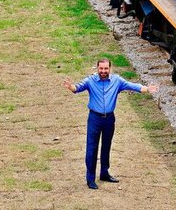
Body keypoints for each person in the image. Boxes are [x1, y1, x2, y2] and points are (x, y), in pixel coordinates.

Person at [63, 58, 158, 190]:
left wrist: (147, 89)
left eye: (106, 68)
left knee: (106, 147)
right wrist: (70, 87)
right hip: (94, 119)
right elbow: (77, 88)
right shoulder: (90, 80)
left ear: (110, 69)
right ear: (97, 68)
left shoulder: (117, 81)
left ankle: (104, 173)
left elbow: (132, 86)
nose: (103, 71)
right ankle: (90, 178)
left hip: (109, 119)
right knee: (92, 149)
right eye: (101, 68)